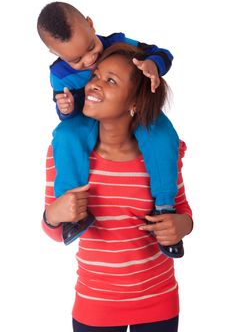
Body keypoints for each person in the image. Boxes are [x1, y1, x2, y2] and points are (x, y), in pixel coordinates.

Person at [43, 43, 193, 332]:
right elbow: (53, 231)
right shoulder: (65, 153)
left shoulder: (159, 156)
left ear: (134, 103)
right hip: (95, 305)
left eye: (110, 81)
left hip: (158, 301)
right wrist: (53, 215)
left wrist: (180, 226)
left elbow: (184, 212)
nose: (94, 85)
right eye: (96, 76)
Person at [37, 2, 181, 257]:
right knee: (66, 135)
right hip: (86, 117)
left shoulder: (119, 44)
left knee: (162, 135)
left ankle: (164, 205)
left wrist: (153, 65)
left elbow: (162, 53)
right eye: (78, 61)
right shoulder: (58, 74)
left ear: (91, 25)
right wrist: (67, 107)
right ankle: (73, 209)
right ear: (54, 52)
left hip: (132, 110)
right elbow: (64, 113)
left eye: (92, 48)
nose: (91, 60)